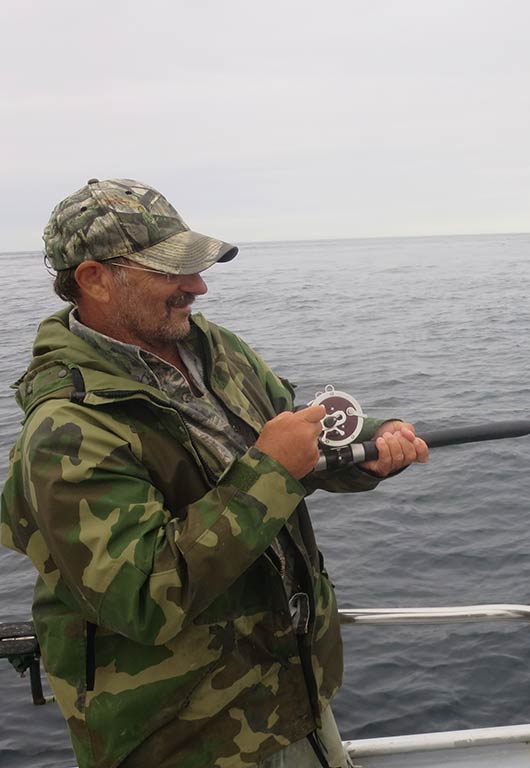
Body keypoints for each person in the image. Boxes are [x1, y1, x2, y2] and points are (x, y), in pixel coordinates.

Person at [0, 179, 428, 768]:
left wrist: (373, 438)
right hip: (185, 738)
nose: (197, 287)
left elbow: (293, 430)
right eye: (169, 271)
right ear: (94, 279)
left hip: (288, 700)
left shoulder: (214, 348)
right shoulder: (65, 430)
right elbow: (144, 597)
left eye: (195, 268)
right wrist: (272, 470)